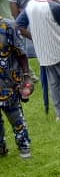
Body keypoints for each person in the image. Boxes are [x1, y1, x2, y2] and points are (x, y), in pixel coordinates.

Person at [0, 17, 32, 158]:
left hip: (9, 83)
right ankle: (1, 149)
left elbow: (21, 53)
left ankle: (24, 147)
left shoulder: (9, 25)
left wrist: (26, 76)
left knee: (15, 117)